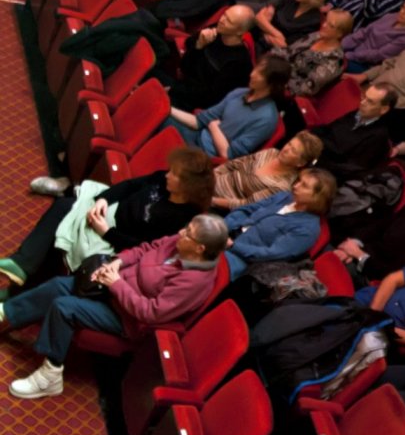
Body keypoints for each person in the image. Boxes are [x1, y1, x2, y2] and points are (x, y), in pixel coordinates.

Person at [0, 215, 229, 399]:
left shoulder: (194, 281)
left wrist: (116, 283)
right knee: (59, 286)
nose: (181, 233)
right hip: (112, 287)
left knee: (64, 307)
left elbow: (151, 312)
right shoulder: (178, 243)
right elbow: (144, 249)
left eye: (188, 234)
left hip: (127, 318)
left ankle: (51, 376)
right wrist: (116, 262)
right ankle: (5, 315)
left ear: (199, 249)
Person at [5, 148, 214, 294]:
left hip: (114, 238)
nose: (168, 175)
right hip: (110, 210)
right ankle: (21, 266)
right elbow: (130, 186)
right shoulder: (162, 179)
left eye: (174, 174)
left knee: (66, 224)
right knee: (64, 208)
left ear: (188, 187)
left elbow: (141, 246)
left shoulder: (180, 218)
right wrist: (104, 199)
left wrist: (105, 231)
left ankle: (21, 276)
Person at [336, 164, 405, 281]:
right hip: (366, 254)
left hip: (372, 274)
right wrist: (355, 243)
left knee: (329, 260)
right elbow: (381, 226)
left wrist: (358, 255)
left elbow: (395, 274)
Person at [167, 57, 290, 160]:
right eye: (256, 69)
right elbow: (199, 121)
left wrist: (213, 127)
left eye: (261, 74)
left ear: (273, 84)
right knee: (161, 117)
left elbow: (228, 155)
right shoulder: (240, 92)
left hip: (204, 155)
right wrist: (167, 109)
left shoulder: (266, 119)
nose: (252, 74)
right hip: (196, 135)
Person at [221, 168, 335, 279]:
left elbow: (270, 254)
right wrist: (222, 227)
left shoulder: (307, 230)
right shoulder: (285, 197)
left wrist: (233, 246)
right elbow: (247, 210)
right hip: (229, 234)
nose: (295, 186)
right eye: (299, 180)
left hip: (243, 258)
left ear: (317, 197)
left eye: (304, 186)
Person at [210, 131, 323, 211]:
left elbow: (244, 204)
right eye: (289, 144)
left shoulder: (281, 186)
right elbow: (234, 164)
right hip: (211, 182)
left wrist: (212, 200)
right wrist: (211, 175)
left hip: (219, 204)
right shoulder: (271, 152)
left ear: (300, 163)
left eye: (293, 150)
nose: (286, 149)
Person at [310, 83, 396, 182]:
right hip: (320, 154)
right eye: (364, 96)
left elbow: (351, 169)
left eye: (370, 102)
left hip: (328, 175)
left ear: (384, 109)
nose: (362, 102)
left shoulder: (378, 137)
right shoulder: (357, 114)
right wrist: (309, 135)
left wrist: (319, 160)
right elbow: (329, 129)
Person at [271, 8, 352, 97]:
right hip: (281, 70)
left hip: (289, 89)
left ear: (339, 34)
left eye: (331, 25)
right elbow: (290, 51)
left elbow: (305, 89)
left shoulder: (333, 61)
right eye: (325, 21)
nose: (324, 25)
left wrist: (279, 77)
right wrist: (272, 56)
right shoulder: (317, 35)